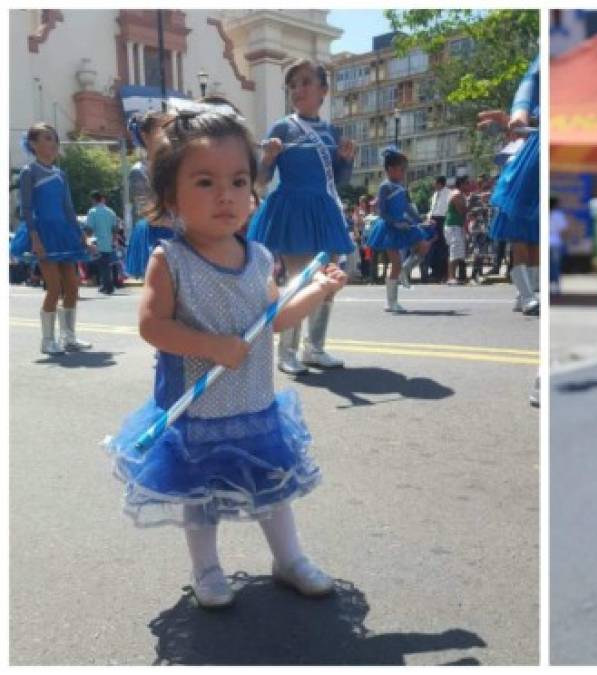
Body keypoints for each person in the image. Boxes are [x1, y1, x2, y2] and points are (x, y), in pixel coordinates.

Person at [103, 110, 348, 608]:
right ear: (171, 197)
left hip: (255, 405)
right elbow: (153, 326)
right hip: (198, 413)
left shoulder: (258, 255)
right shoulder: (169, 260)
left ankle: (289, 558)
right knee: (201, 499)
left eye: (238, 180)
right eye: (206, 181)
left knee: (271, 491)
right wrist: (213, 346)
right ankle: (207, 570)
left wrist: (318, 291)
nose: (226, 195)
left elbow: (274, 319)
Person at [247, 58, 355, 374]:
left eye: (306, 82)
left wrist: (346, 161)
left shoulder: (333, 132)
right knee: (301, 280)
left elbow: (340, 181)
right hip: (293, 211)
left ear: (323, 90)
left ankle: (315, 348)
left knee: (330, 281)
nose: (298, 89)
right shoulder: (283, 127)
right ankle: (287, 352)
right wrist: (267, 158)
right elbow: (261, 181)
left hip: (323, 211)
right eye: (293, 84)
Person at [13, 122, 94, 354]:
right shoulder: (29, 172)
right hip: (43, 233)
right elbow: (26, 208)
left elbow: (68, 208)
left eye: (54, 139)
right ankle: (47, 340)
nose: (53, 143)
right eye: (47, 138)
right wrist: (35, 238)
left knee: (72, 286)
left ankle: (69, 336)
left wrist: (81, 236)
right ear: (33, 144)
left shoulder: (61, 174)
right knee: (54, 287)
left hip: (64, 233)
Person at [478, 56, 541, 316]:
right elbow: (527, 89)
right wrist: (508, 119)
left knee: (535, 241)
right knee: (519, 238)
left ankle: (527, 292)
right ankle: (527, 295)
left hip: (536, 174)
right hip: (521, 177)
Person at [366, 147, 431, 312]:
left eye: (404, 169)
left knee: (424, 245)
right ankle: (391, 302)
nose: (403, 172)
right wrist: (394, 222)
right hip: (389, 228)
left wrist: (421, 220)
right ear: (390, 169)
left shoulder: (401, 186)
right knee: (395, 263)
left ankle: (406, 270)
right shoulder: (385, 187)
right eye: (401, 169)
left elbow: (407, 207)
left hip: (403, 224)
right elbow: (381, 211)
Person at [124, 111, 175, 279]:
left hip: (177, 229)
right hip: (156, 234)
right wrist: (183, 226)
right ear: (145, 136)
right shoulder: (139, 171)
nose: (168, 134)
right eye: (161, 129)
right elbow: (147, 210)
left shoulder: (175, 166)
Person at [84, 190, 119, 295]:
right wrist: (114, 240)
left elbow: (89, 229)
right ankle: (105, 285)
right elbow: (114, 228)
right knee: (105, 264)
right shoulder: (110, 211)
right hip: (108, 242)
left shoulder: (92, 211)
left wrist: (86, 239)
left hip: (97, 242)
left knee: (103, 265)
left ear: (94, 199)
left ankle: (108, 286)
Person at [445, 176, 470, 285]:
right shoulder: (456, 194)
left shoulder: (460, 195)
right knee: (454, 252)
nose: (468, 185)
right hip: (453, 225)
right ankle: (451, 277)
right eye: (466, 183)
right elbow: (462, 210)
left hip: (456, 225)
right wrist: (470, 206)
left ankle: (452, 277)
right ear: (461, 184)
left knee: (457, 252)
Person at [549, 196, 569, 295]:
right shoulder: (558, 215)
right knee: (555, 266)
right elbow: (563, 230)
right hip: (555, 243)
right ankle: (555, 286)